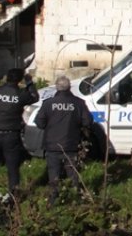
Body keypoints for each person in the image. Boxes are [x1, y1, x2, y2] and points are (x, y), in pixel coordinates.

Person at [34, 75, 94, 205]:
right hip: (71, 144)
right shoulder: (78, 103)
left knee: (53, 173)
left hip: (52, 144)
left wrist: (50, 126)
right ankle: (75, 198)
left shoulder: (48, 103)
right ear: (69, 87)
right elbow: (88, 121)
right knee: (72, 172)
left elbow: (39, 122)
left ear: (57, 87)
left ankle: (53, 199)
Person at [0, 68, 38, 199]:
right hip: (11, 135)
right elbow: (35, 97)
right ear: (19, 80)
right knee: (12, 167)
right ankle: (14, 194)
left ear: (6, 77)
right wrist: (29, 82)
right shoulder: (20, 94)